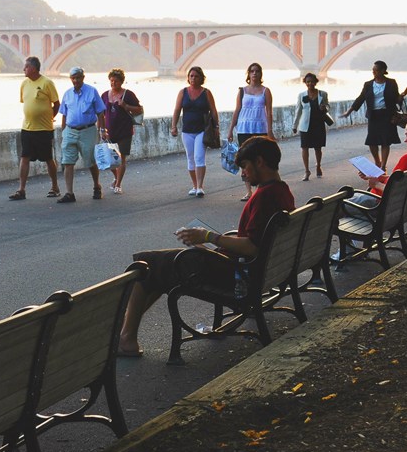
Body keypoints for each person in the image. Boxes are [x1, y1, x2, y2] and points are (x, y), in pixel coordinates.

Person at [119, 137, 294, 356]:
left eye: (245, 167)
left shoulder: (264, 197)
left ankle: (125, 337)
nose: (243, 174)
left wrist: (209, 236)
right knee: (158, 268)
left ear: (259, 162)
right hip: (255, 270)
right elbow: (258, 243)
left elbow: (251, 247)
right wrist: (205, 244)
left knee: (146, 264)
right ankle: (124, 333)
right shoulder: (282, 190)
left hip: (239, 276)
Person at [340, 60, 407, 171]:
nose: (374, 72)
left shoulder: (391, 83)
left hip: (387, 115)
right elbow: (361, 98)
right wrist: (349, 111)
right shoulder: (368, 84)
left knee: (385, 141)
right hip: (374, 116)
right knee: (372, 141)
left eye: (376, 70)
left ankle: (383, 166)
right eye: (373, 70)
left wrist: (401, 96)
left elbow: (396, 99)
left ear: (383, 71)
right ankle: (377, 161)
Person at [9, 56, 61, 200]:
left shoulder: (47, 83)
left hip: (43, 129)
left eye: (26, 67)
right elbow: (26, 103)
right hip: (27, 128)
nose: (23, 69)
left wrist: (50, 118)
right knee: (24, 157)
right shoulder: (24, 84)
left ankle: (55, 187)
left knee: (48, 158)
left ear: (33, 68)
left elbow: (56, 104)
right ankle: (21, 189)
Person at [56, 66, 107, 203]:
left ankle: (97, 186)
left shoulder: (92, 91)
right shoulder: (67, 94)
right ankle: (69, 193)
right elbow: (64, 114)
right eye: (73, 78)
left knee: (90, 161)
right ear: (70, 79)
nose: (76, 80)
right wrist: (64, 132)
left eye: (78, 77)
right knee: (68, 162)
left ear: (83, 78)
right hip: (70, 131)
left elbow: (100, 113)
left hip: (88, 130)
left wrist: (102, 130)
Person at [227, 62, 275, 200]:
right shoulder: (242, 91)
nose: (254, 73)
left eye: (257, 71)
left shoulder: (266, 91)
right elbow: (237, 110)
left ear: (261, 74)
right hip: (244, 128)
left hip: (260, 128)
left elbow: (269, 112)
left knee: (260, 159)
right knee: (245, 159)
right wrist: (230, 130)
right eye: (252, 71)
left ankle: (261, 188)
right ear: (248, 74)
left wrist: (270, 131)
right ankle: (248, 192)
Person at [171, 66, 219, 198]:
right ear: (188, 78)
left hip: (202, 130)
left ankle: (200, 187)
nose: (193, 78)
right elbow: (177, 110)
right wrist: (173, 126)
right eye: (191, 76)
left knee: (199, 157)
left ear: (201, 78)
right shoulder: (183, 92)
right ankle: (194, 185)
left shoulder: (206, 93)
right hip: (187, 131)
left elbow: (213, 111)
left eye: (196, 76)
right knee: (190, 159)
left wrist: (216, 127)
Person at [101, 68, 143, 194]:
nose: (113, 83)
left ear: (121, 82)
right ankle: (116, 177)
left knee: (122, 159)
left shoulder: (128, 94)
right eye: (112, 81)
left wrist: (126, 106)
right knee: (109, 160)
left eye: (116, 81)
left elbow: (139, 109)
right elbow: (100, 114)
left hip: (124, 131)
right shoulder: (104, 95)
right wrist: (102, 130)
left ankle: (118, 184)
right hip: (109, 132)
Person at [292, 72, 330, 180]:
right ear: (305, 83)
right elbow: (298, 111)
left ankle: (318, 166)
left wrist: (325, 108)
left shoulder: (323, 94)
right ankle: (307, 171)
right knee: (305, 148)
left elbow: (328, 106)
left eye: (312, 81)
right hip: (305, 126)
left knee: (318, 148)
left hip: (318, 124)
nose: (310, 84)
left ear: (316, 82)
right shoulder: (301, 95)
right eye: (308, 82)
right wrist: (295, 125)